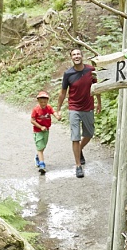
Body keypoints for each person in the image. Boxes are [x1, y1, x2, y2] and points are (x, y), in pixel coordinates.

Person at [57, 48, 101, 178]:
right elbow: (63, 93)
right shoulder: (68, 74)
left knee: (89, 134)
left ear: (82, 56)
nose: (76, 56)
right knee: (75, 136)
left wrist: (99, 102)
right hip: (74, 108)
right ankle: (78, 166)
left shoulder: (90, 70)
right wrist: (58, 108)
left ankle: (79, 149)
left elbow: (96, 87)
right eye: (74, 55)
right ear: (71, 58)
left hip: (88, 107)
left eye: (78, 54)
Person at [30, 90, 55, 175]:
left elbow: (53, 112)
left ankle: (38, 157)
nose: (43, 104)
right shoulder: (36, 109)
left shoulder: (49, 108)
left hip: (46, 130)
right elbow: (32, 120)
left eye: (45, 102)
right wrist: (40, 127)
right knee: (40, 148)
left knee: (43, 146)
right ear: (38, 101)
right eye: (41, 102)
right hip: (38, 131)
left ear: (47, 101)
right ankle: (42, 165)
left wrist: (58, 116)